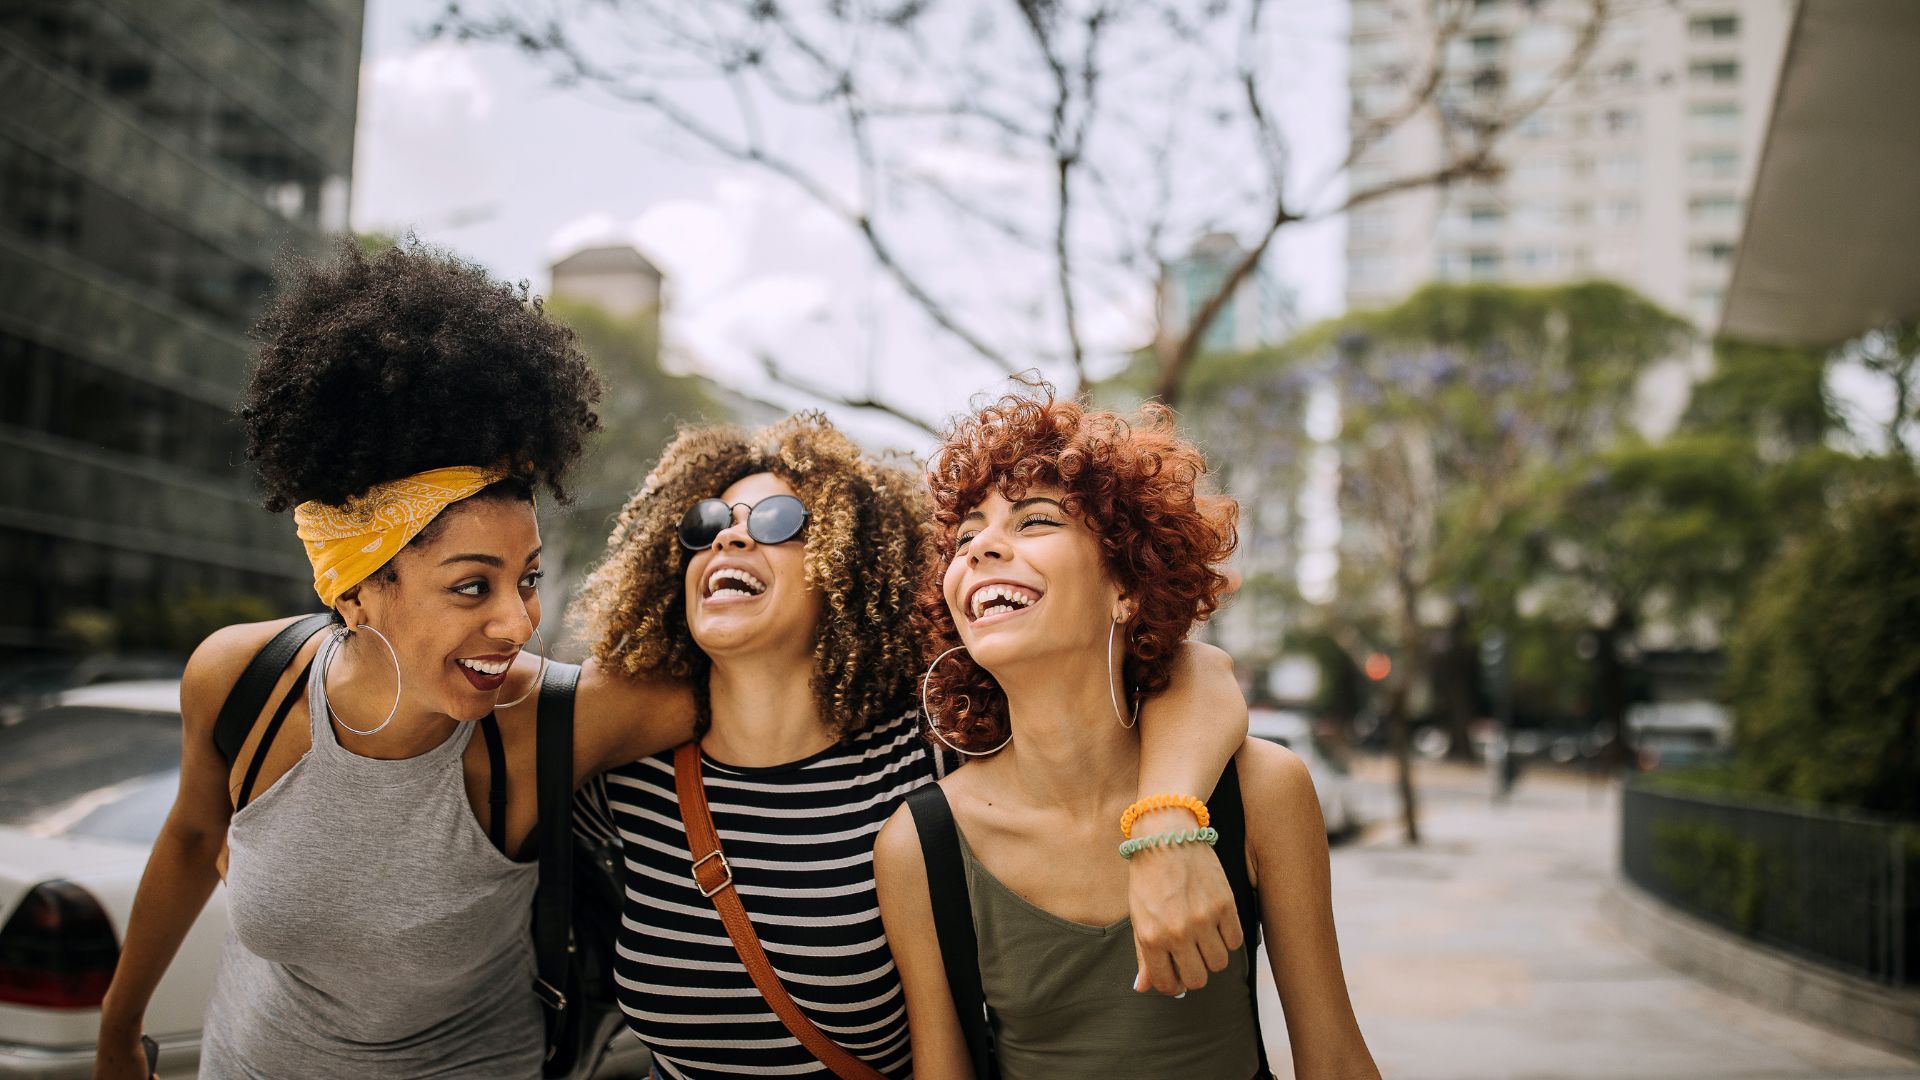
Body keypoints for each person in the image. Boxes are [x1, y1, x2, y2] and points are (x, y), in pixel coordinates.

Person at [92, 240, 696, 1079]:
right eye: (470, 588)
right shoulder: (243, 683)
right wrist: (118, 1032)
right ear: (358, 591)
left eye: (526, 580)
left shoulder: (551, 721)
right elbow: (194, 838)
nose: (518, 621)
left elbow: (750, 685)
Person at [570, 414, 1252, 1079]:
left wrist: (1166, 821)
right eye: (706, 526)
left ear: (849, 561)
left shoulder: (930, 756)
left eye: (776, 522)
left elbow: (1201, 672)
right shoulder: (627, 785)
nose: (730, 542)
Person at [874, 392, 1380, 1079]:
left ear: (1126, 586)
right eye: (966, 538)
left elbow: (1335, 1059)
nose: (984, 547)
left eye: (1036, 521)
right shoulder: (918, 844)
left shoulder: (1261, 791)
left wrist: (1168, 828)